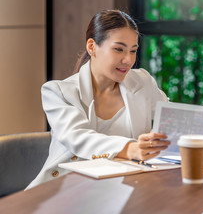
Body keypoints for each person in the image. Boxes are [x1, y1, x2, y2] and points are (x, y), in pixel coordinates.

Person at [27, 10, 170, 189]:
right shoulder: (58, 92)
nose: (128, 60)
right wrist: (132, 149)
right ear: (92, 47)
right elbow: (79, 138)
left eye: (133, 51)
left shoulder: (142, 81)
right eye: (119, 49)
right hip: (65, 189)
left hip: (125, 187)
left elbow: (172, 121)